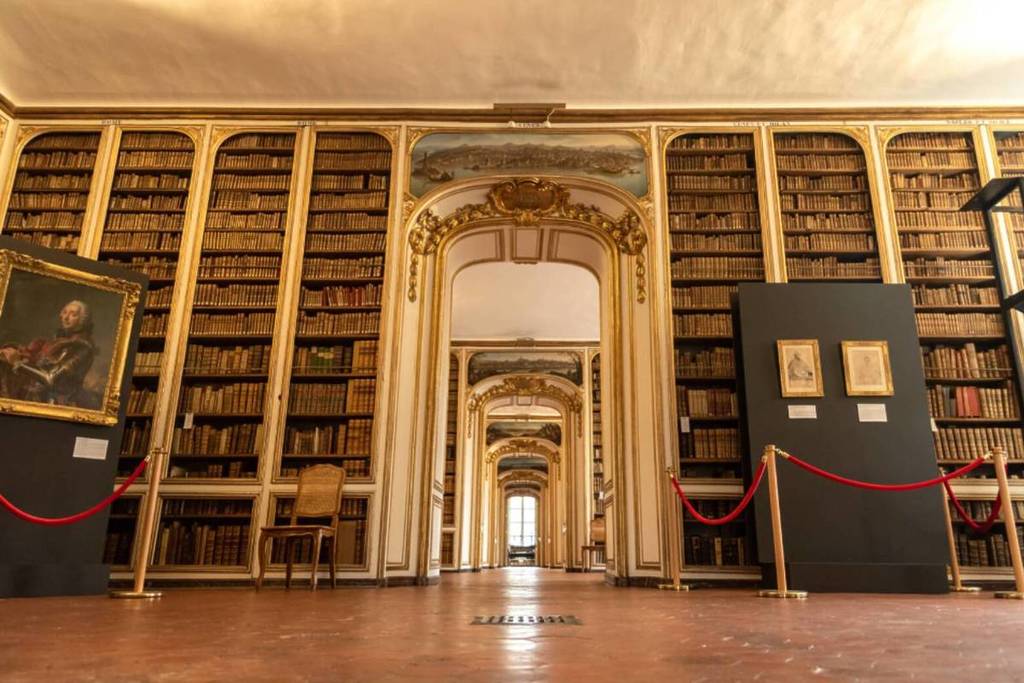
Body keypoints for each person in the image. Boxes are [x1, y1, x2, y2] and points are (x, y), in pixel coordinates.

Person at [0, 299, 99, 408]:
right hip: (41, 390)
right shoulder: (59, 341)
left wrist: (18, 363)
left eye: (73, 315)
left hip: (59, 400)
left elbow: (50, 378)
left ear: (82, 320)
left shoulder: (82, 347)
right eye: (65, 312)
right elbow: (41, 364)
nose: (65, 318)